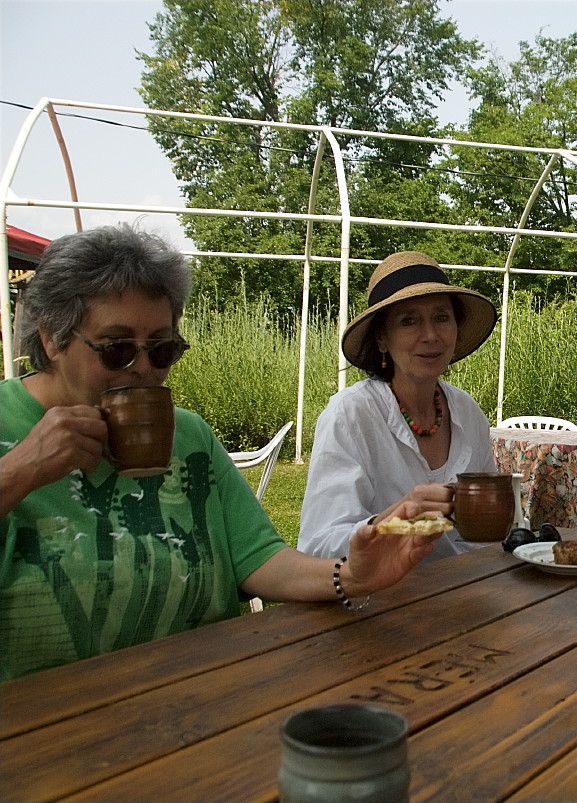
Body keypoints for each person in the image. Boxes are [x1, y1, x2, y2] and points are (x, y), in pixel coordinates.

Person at [0, 226, 443, 682]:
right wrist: (20, 470)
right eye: (116, 349)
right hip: (40, 727)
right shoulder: (6, 428)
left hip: (206, 698)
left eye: (162, 348)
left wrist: (351, 575)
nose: (145, 370)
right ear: (52, 337)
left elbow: (258, 559)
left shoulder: (189, 435)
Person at [298, 251, 499, 559]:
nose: (430, 335)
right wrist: (393, 522)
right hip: (378, 599)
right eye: (409, 321)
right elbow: (319, 546)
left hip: (465, 591)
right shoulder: (351, 415)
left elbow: (488, 533)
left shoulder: (467, 411)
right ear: (381, 338)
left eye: (442, 318)